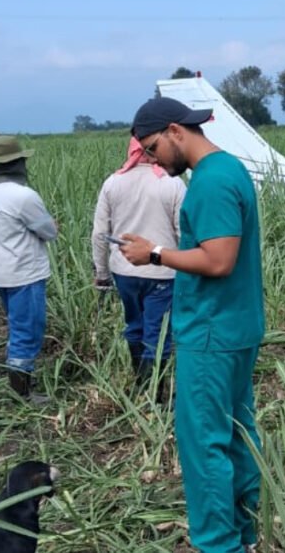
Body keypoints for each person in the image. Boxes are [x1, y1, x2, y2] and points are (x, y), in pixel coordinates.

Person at [120, 97, 264, 553]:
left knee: (204, 443)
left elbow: (218, 260)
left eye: (152, 148)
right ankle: (245, 533)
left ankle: (219, 544)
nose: (152, 159)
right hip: (235, 326)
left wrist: (154, 253)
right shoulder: (229, 169)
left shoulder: (210, 182)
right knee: (236, 433)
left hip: (210, 331)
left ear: (175, 131)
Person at [91, 136, 184, 396]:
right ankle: (153, 393)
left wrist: (102, 274)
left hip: (124, 270)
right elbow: (184, 232)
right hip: (163, 270)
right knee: (158, 331)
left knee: (134, 324)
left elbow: (100, 233)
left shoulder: (113, 182)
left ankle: (141, 384)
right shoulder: (172, 183)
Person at [0, 135, 58, 404]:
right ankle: (22, 393)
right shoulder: (23, 196)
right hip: (24, 272)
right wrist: (52, 225)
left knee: (17, 324)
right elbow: (49, 231)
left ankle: (20, 381)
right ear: (18, 163)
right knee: (27, 330)